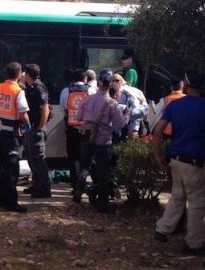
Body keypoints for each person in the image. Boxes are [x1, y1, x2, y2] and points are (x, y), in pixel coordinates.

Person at [153, 71, 205, 256]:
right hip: (195, 161)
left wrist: (157, 154)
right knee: (197, 202)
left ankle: (163, 229)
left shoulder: (175, 105)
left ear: (187, 86)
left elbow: (158, 131)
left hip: (175, 159)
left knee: (178, 196)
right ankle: (194, 243)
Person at [74, 69, 129, 213]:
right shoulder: (112, 103)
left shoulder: (87, 98)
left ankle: (78, 189)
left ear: (98, 82)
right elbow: (119, 125)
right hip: (103, 142)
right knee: (103, 172)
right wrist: (127, 115)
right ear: (110, 83)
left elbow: (79, 117)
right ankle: (102, 204)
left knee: (84, 165)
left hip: (87, 138)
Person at [0, 62, 30, 213]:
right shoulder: (17, 91)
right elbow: (23, 112)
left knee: (4, 168)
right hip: (9, 136)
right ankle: (11, 203)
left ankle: (2, 198)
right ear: (19, 75)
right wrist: (28, 125)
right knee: (12, 169)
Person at [59, 69, 93, 191]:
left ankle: (75, 184)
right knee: (85, 157)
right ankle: (83, 183)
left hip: (71, 128)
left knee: (73, 157)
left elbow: (63, 106)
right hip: (86, 129)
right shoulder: (90, 90)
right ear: (85, 79)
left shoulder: (66, 90)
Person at [22, 64, 52, 198]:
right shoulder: (30, 88)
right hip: (30, 127)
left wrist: (40, 128)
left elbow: (45, 109)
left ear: (28, 74)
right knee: (31, 157)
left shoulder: (39, 88)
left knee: (39, 159)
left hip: (36, 128)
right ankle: (37, 185)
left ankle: (44, 189)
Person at [112, 73, 148, 137]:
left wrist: (134, 129)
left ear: (122, 82)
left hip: (126, 129)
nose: (114, 82)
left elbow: (135, 112)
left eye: (117, 80)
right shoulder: (105, 93)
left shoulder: (129, 94)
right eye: (112, 80)